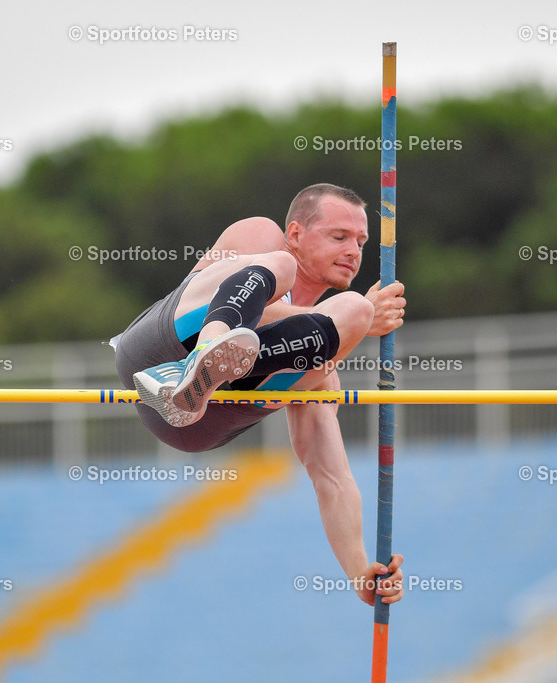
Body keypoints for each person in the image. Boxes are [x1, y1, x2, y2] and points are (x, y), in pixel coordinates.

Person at [112, 183, 407, 607]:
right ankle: (204, 356)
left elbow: (332, 477)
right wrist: (357, 319)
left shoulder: (325, 367)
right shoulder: (265, 240)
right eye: (339, 236)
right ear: (298, 232)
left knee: (353, 312)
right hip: (157, 351)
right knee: (283, 268)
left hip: (200, 422)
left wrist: (360, 571)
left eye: (361, 241)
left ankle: (206, 373)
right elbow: (267, 303)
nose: (354, 251)